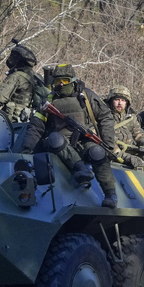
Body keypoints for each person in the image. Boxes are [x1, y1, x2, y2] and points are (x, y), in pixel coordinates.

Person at [19, 63, 118, 208]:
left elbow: (105, 117)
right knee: (54, 138)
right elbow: (36, 126)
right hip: (59, 146)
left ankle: (110, 193)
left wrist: (108, 143)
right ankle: (80, 170)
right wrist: (26, 149)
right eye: (57, 81)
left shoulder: (86, 96)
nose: (60, 84)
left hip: (84, 142)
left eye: (64, 81)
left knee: (98, 152)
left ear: (73, 80)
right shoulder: (48, 101)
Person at [0, 41, 46, 123]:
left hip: (13, 123)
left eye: (13, 57)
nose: (11, 60)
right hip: (31, 123)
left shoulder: (17, 76)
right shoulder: (38, 77)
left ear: (19, 60)